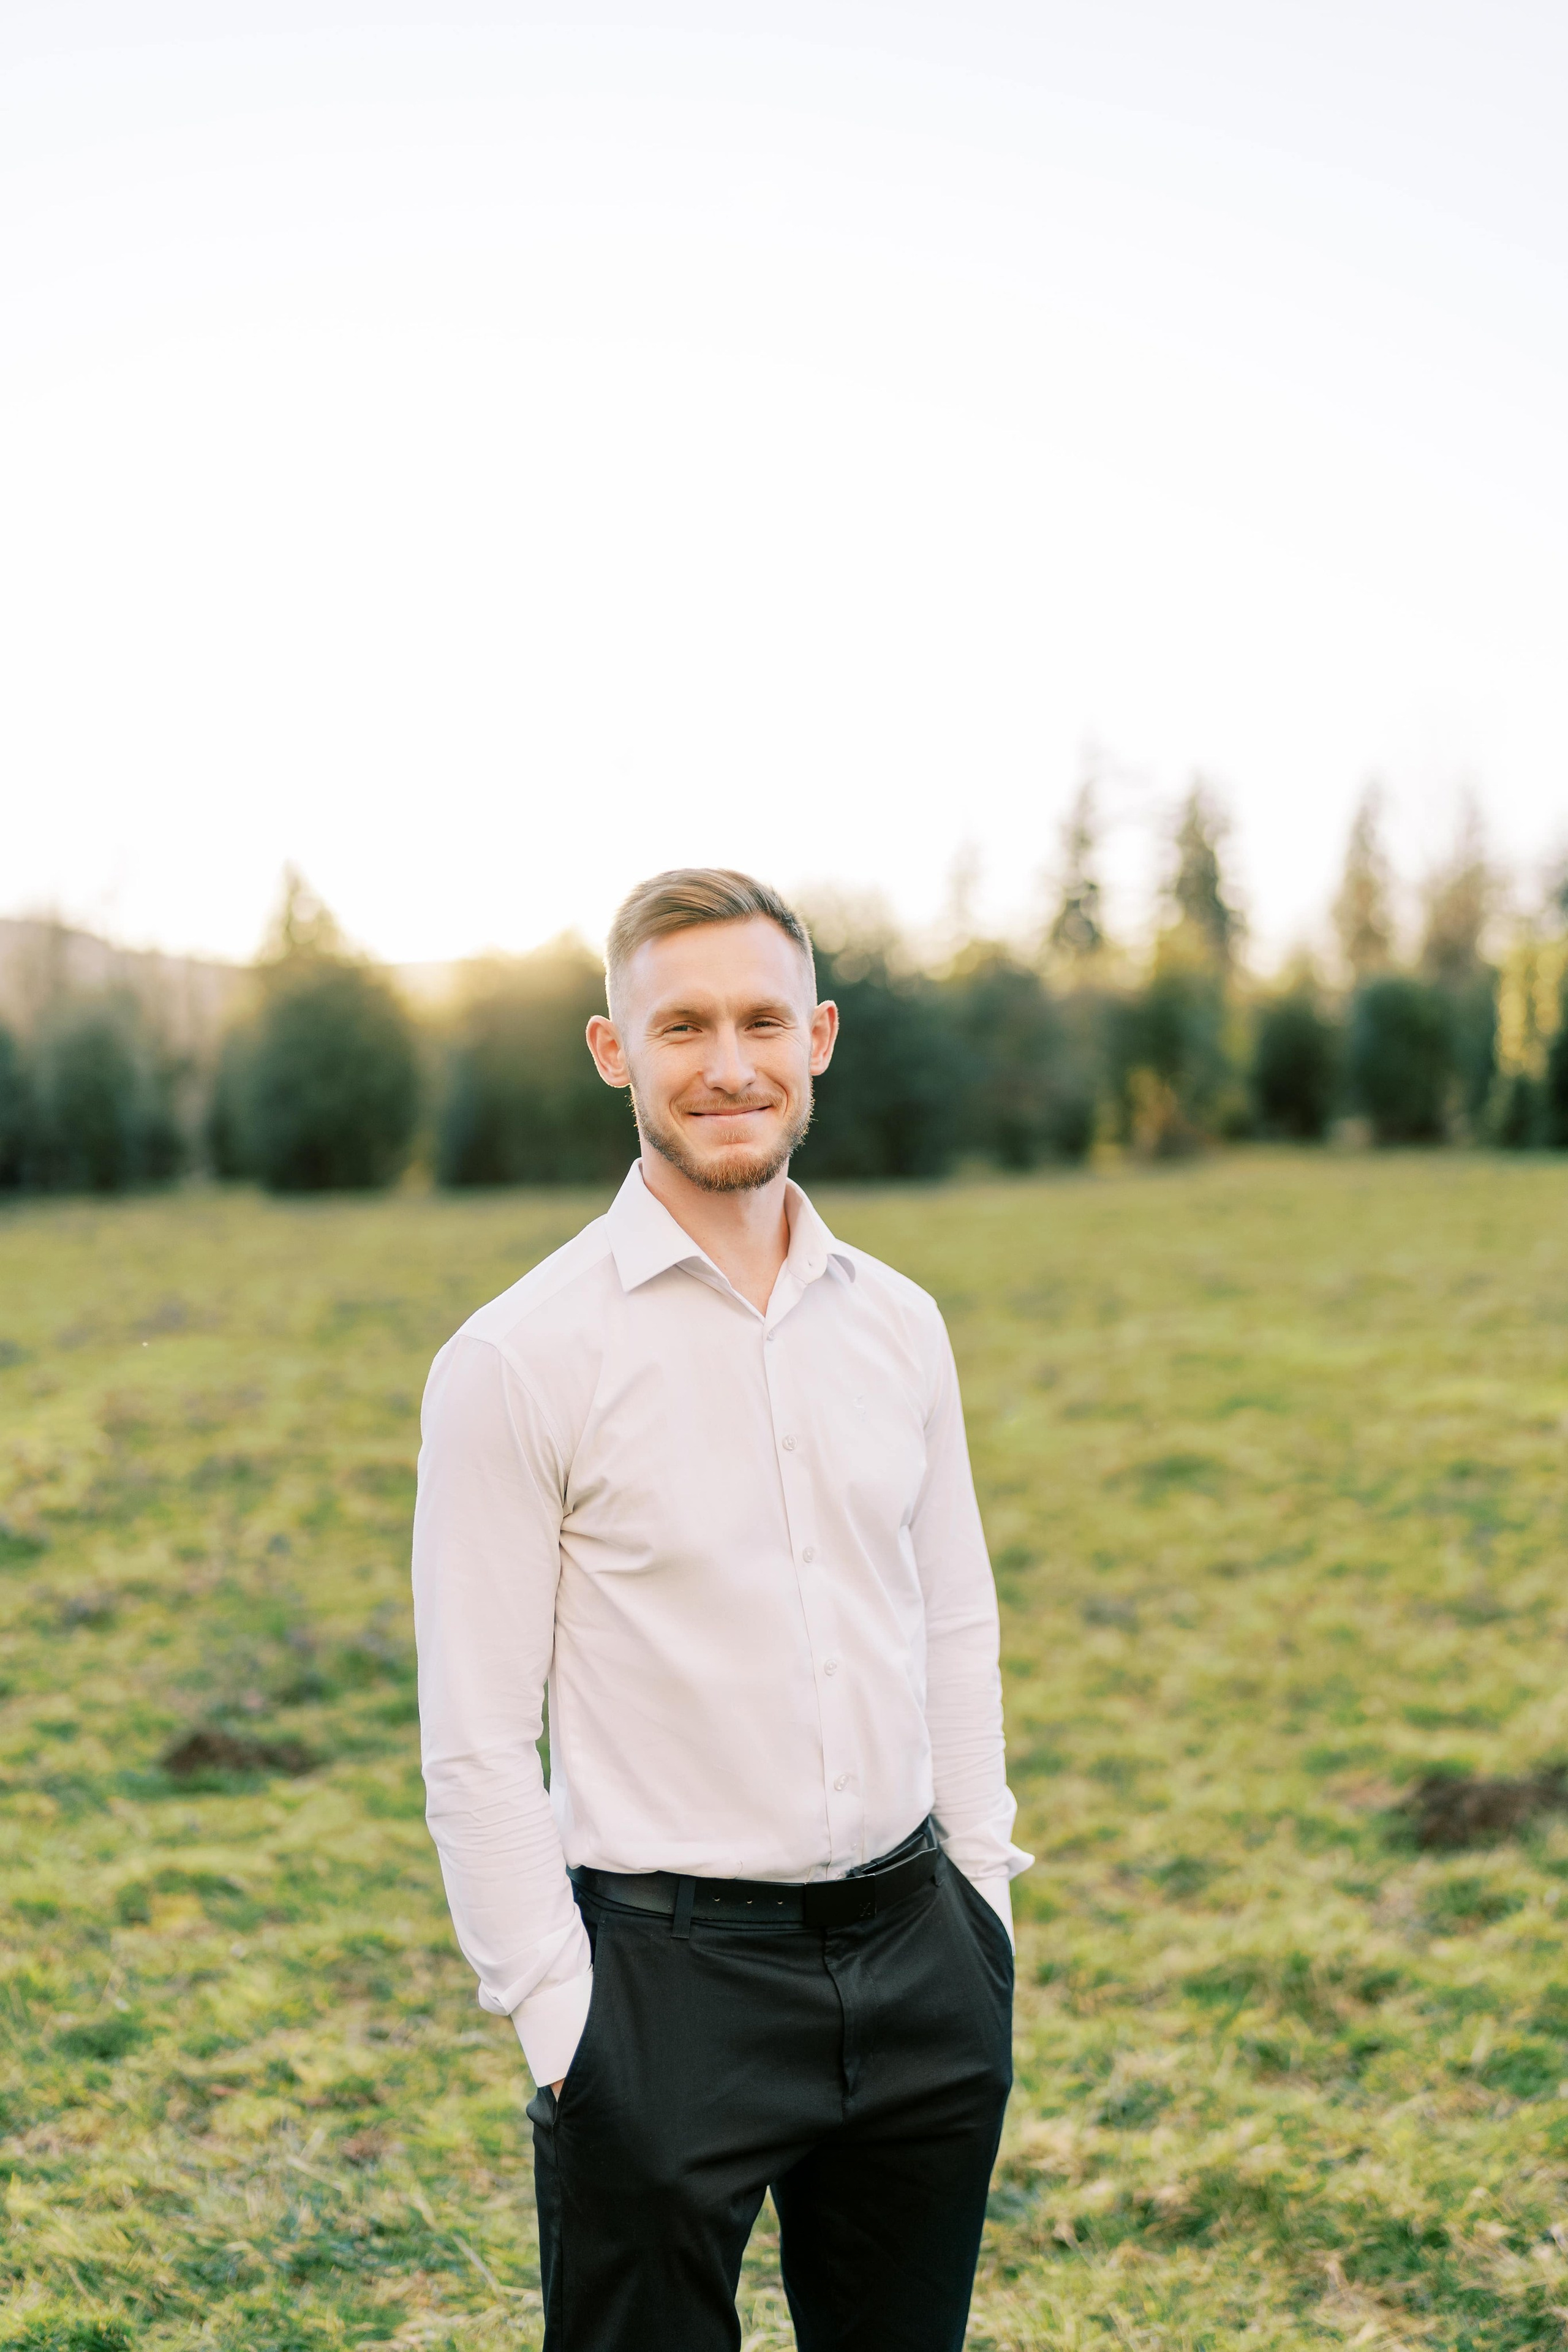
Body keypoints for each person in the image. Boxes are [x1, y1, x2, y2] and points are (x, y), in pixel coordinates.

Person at [412, 867, 1030, 2352]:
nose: (728, 1064)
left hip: (918, 1959)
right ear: (612, 1051)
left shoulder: (900, 1324)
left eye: (761, 1020)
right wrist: (559, 2022)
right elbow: (477, 1740)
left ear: (818, 1036)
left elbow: (951, 1621)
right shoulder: (516, 1359)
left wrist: (980, 1911)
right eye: (680, 1027)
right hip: (661, 1990)